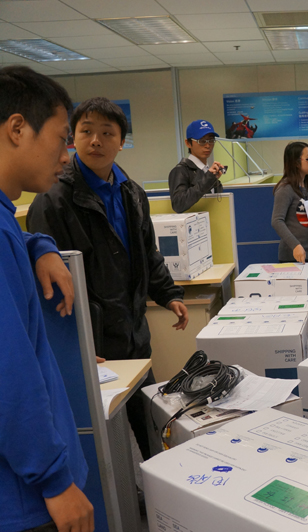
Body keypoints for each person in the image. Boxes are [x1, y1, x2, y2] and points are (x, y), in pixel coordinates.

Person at [27, 97, 188, 461]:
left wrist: (169, 294)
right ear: (73, 138)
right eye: (86, 131)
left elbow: (147, 254)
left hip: (133, 333)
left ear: (121, 142)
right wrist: (76, 343)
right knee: (103, 442)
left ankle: (156, 488)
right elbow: (47, 287)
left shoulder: (132, 193)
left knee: (150, 427)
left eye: (106, 133)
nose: (96, 140)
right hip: (93, 343)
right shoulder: (53, 200)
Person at [1, 65, 95, 532]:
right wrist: (55, 480)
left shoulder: (6, 222)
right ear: (18, 129)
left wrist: (38, 244)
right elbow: (8, 371)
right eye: (61, 138)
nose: (66, 155)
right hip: (24, 497)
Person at [271, 141, 308, 270]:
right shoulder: (286, 188)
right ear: (296, 163)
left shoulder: (306, 187)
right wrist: (295, 245)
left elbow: (302, 217)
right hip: (293, 256)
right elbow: (276, 221)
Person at [168, 119, 225, 213]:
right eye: (202, 141)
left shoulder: (207, 171)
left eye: (211, 140)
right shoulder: (180, 171)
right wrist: (208, 179)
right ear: (188, 143)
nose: (208, 145)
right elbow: (178, 204)